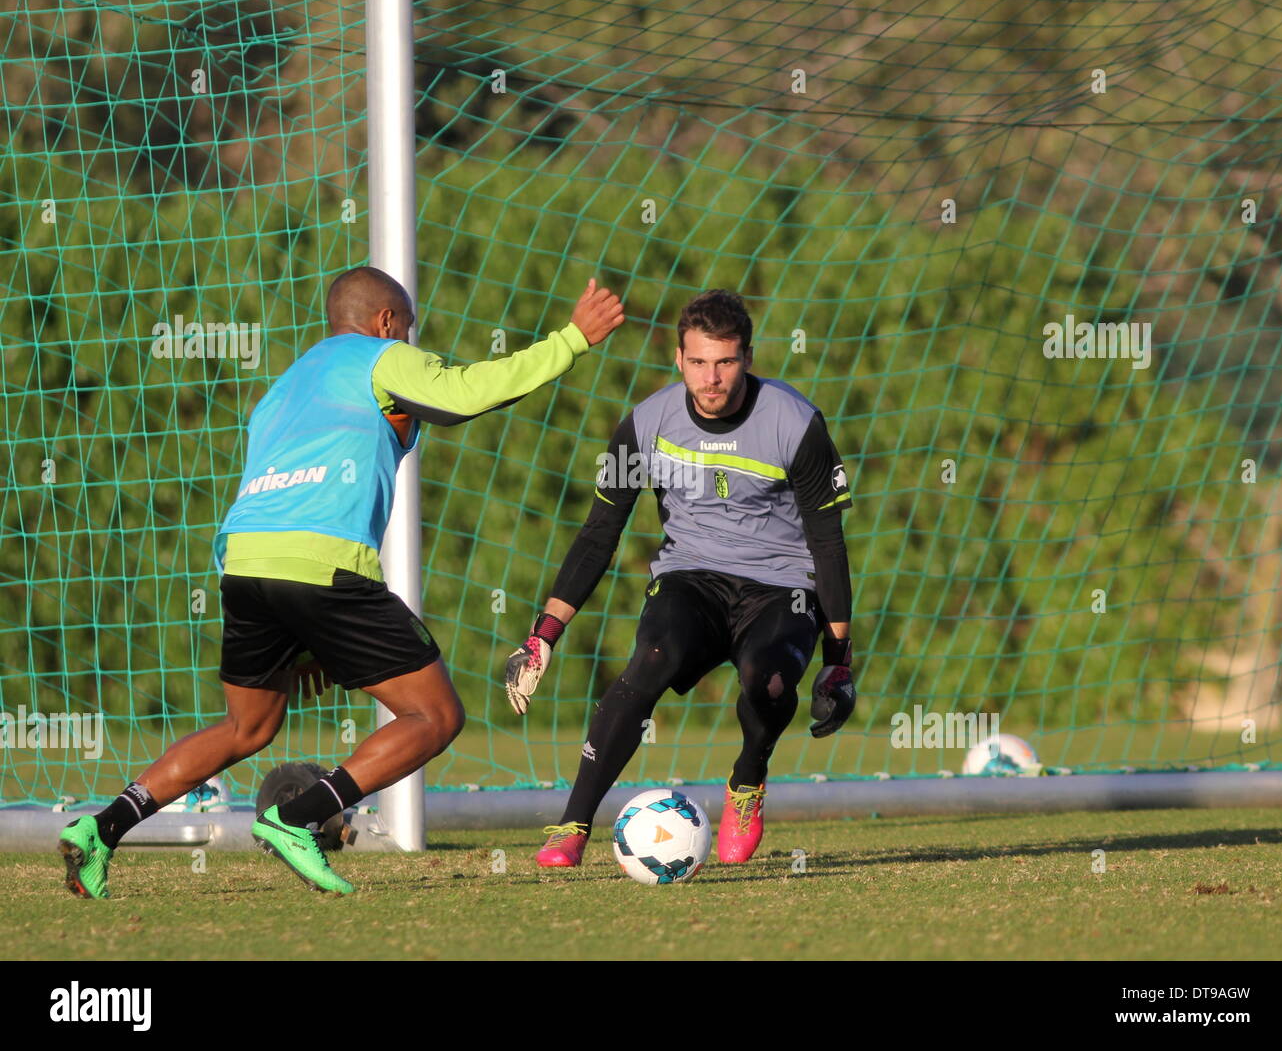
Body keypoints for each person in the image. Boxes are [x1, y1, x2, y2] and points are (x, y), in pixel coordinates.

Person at [58, 267, 625, 897]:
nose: (410, 340)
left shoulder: (281, 390)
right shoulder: (383, 357)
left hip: (245, 566)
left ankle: (99, 831)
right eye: (407, 326)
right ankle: (297, 818)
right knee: (435, 714)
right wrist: (572, 339)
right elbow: (470, 392)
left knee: (246, 728)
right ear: (386, 321)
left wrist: (299, 636)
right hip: (323, 564)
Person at [504, 288, 854, 867]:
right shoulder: (647, 425)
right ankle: (572, 824)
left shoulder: (797, 423)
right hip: (691, 577)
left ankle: (747, 780)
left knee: (767, 682)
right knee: (651, 657)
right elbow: (599, 534)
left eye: (725, 361)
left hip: (780, 585)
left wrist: (839, 661)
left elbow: (828, 543)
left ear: (747, 356)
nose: (711, 378)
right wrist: (543, 635)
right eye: (698, 362)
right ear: (678, 359)